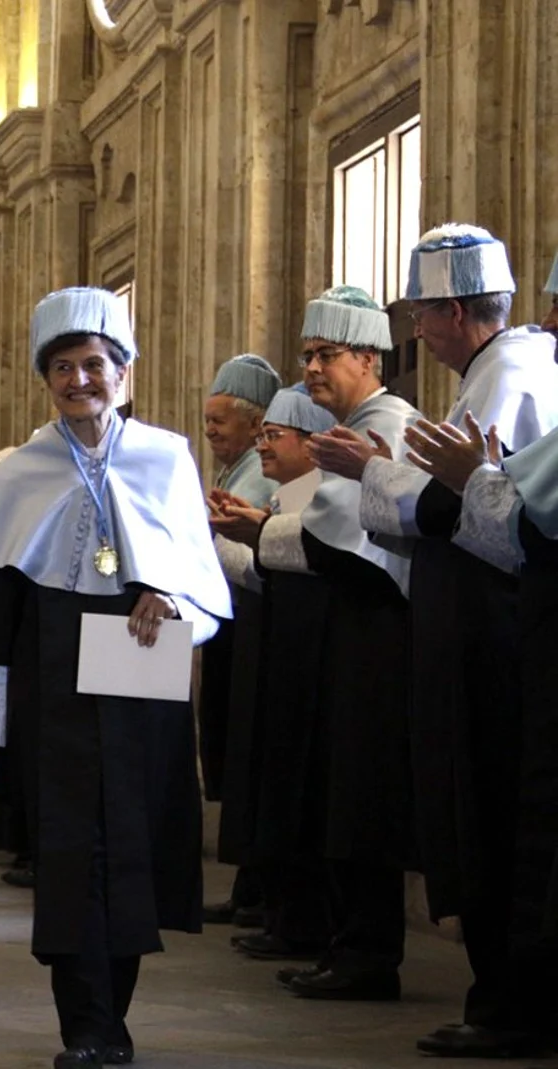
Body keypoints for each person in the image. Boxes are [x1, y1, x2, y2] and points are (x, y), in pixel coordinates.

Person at [0, 287, 230, 1069]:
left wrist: (169, 593)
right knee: (72, 850)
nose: (80, 380)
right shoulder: (17, 471)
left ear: (125, 372)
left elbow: (204, 584)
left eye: (95, 364)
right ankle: (85, 1025)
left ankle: (116, 1016)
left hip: (140, 661)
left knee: (134, 842)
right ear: (47, 380)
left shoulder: (166, 456)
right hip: (54, 672)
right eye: (63, 367)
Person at [336, 225, 558, 1058]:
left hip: (495, 634)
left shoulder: (513, 374)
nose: (415, 331)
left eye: (422, 313)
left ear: (457, 310)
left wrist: (370, 471)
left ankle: (509, 1003)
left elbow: (456, 507)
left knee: (500, 815)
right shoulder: (493, 373)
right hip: (488, 626)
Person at [260, 285, 419, 1003]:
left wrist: (253, 537)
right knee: (342, 788)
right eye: (306, 356)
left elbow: (340, 540)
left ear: (366, 356)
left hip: (379, 633)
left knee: (364, 792)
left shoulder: (387, 425)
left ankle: (367, 952)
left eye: (325, 355)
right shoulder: (352, 425)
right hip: (351, 628)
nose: (312, 369)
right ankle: (348, 943)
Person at [207, 384, 343, 967]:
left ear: (313, 445)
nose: (263, 447)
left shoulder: (319, 495)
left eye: (273, 435)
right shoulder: (287, 495)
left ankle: (305, 922)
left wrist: (244, 535)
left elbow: (301, 561)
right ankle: (280, 910)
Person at [197, 353, 281, 926]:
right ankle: (250, 884)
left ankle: (260, 887)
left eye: (219, 421)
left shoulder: (260, 470)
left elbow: (250, 552)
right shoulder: (236, 470)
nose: (209, 432)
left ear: (256, 426)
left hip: (255, 624)